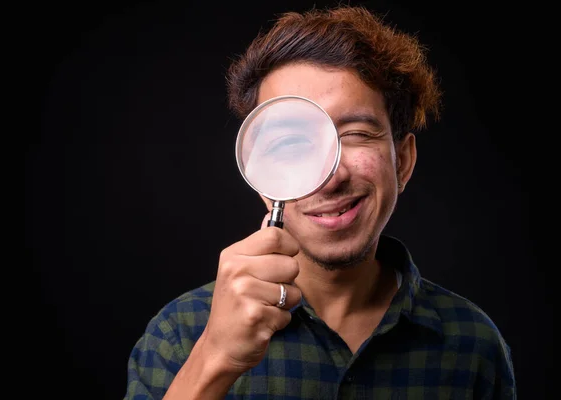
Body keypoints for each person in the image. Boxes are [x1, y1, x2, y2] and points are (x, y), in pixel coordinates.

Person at [123, 5, 516, 399]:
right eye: (292, 142)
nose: (330, 176)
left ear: (404, 161)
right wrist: (214, 359)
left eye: (356, 133)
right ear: (260, 176)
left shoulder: (474, 345)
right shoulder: (180, 334)